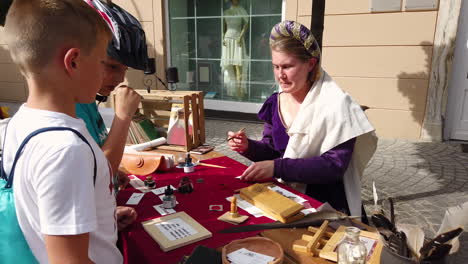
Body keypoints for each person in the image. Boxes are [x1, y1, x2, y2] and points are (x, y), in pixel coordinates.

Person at [2, 0, 135, 262]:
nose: (115, 77)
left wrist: (97, 222)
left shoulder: (20, 123)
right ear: (73, 61)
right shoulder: (65, 149)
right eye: (101, 62)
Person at [228, 21, 377, 219]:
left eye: (287, 66)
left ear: (311, 64)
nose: (280, 75)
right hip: (287, 199)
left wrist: (277, 167)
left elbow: (334, 166)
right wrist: (248, 147)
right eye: (275, 67)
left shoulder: (338, 105)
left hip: (326, 206)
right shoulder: (276, 102)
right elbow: (273, 149)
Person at [78, 0, 150, 188]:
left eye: (124, 69)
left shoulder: (86, 99)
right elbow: (100, 174)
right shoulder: (68, 109)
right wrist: (123, 117)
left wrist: (115, 171)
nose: (120, 78)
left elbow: (93, 163)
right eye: (112, 66)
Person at [221, 0, 249, 98]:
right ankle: (232, 91)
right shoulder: (226, 12)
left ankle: (239, 92)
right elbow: (223, 27)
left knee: (238, 66)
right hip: (227, 40)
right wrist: (222, 37)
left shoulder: (242, 11)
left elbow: (246, 24)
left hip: (237, 40)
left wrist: (241, 37)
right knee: (230, 66)